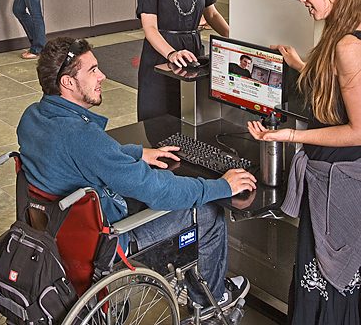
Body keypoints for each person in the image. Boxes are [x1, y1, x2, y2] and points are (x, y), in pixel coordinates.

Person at [18, 36, 255, 314]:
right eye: (92, 70)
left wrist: (134, 153)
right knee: (207, 210)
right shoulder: (81, 137)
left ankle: (197, 288)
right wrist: (220, 186)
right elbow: (156, 189)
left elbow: (79, 155)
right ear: (68, 83)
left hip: (60, 231)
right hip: (106, 242)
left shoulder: (32, 117)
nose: (102, 76)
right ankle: (213, 304)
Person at [248, 0, 361, 325]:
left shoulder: (348, 46)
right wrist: (300, 65)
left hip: (339, 186)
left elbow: (358, 130)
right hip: (331, 182)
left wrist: (291, 137)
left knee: (329, 287)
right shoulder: (344, 33)